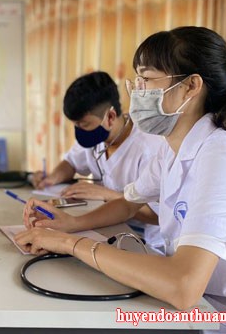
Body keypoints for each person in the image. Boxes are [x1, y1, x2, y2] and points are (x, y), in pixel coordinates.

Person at [16, 27, 226, 334]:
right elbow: (128, 204)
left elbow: (183, 286)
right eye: (137, 80)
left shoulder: (222, 155)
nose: (137, 91)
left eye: (146, 79)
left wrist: (71, 244)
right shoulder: (172, 146)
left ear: (191, 86)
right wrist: (69, 223)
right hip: (203, 307)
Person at [30, 71, 165, 250]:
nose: (80, 130)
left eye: (84, 124)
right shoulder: (96, 138)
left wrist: (107, 194)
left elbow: (157, 215)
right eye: (76, 125)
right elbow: (71, 162)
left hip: (145, 240)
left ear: (110, 117)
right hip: (105, 225)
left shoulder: (149, 148)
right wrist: (52, 178)